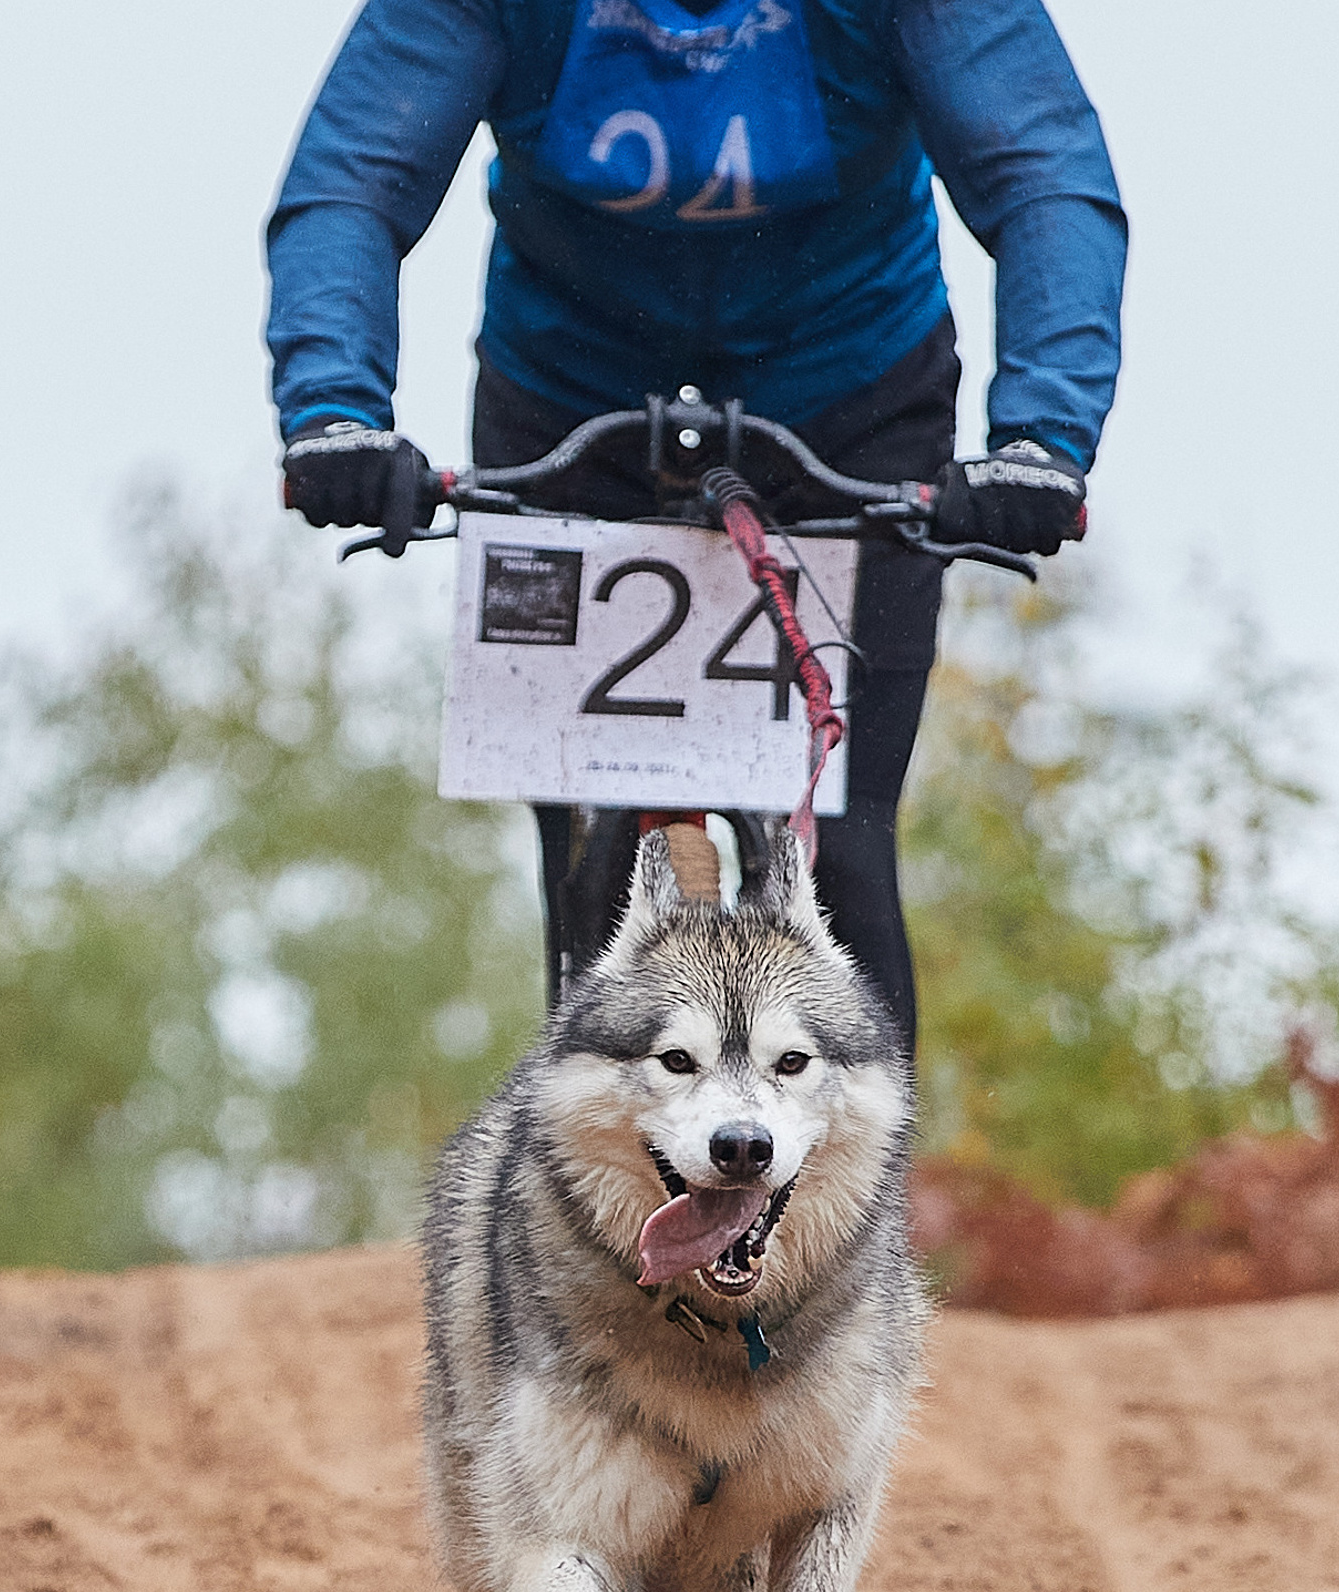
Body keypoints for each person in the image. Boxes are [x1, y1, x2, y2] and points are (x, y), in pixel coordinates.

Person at [264, 0, 1125, 1055]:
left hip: (851, 406)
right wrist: (335, 414)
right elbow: (354, 177)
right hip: (571, 408)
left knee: (842, 852)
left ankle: (863, 1216)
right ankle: (583, 1186)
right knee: (588, 863)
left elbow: (1043, 172)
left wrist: (1042, 439)